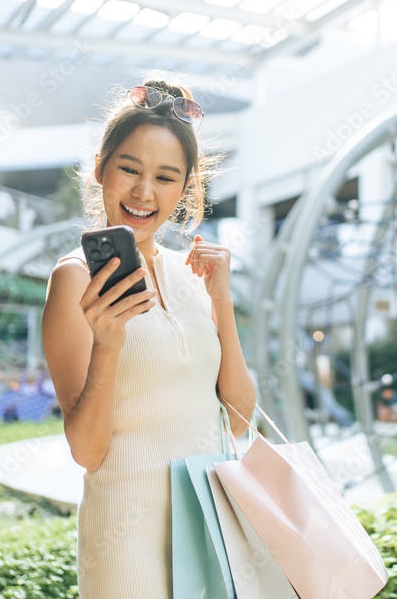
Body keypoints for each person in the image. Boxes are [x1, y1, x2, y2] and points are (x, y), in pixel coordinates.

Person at [41, 77, 256, 598]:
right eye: (130, 170)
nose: (143, 193)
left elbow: (241, 418)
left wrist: (221, 300)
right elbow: (88, 452)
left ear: (185, 189)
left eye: (165, 177)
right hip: (126, 541)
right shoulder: (74, 279)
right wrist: (109, 343)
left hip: (208, 528)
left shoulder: (194, 275)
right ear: (101, 169)